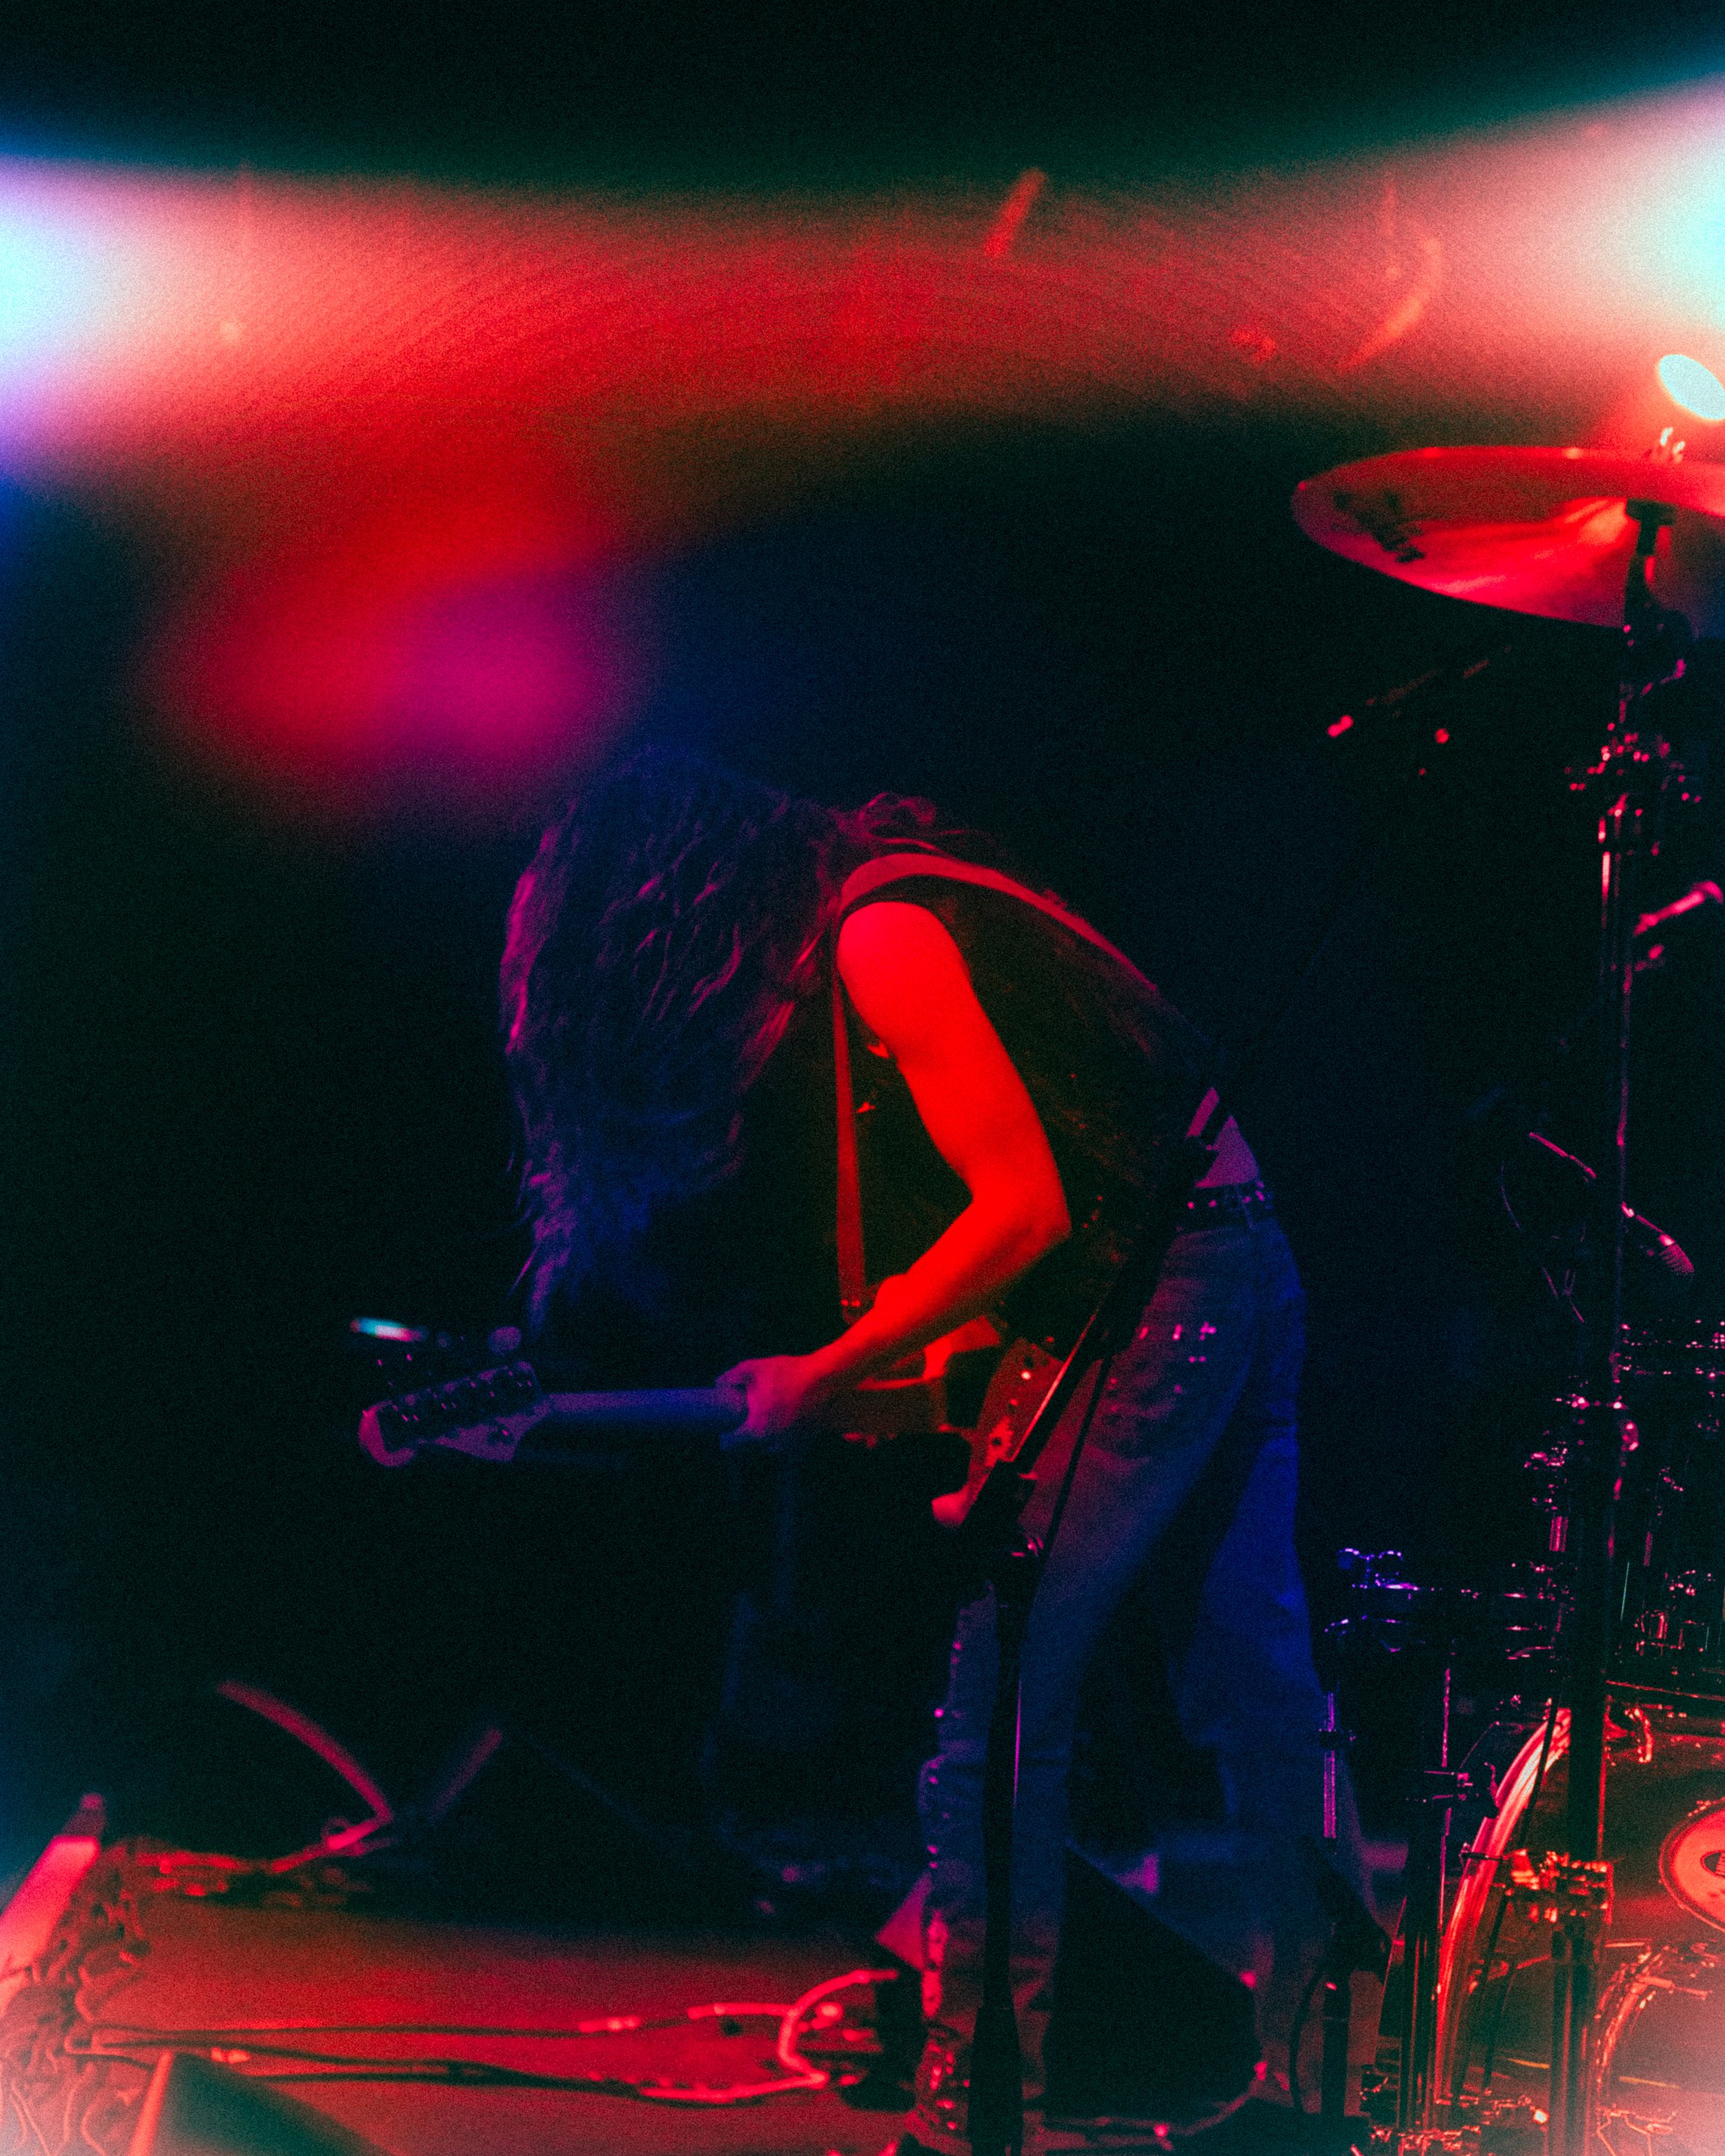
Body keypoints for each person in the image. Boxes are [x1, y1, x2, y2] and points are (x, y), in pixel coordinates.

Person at [501, 748, 1367, 2156]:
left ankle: (975, 2114)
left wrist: (828, 1370)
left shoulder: (881, 935)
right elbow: (1090, 1167)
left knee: (998, 1723)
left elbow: (1022, 1209)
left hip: (1157, 1292)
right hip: (1230, 1263)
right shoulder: (928, 894)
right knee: (1254, 1687)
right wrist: (935, 1382)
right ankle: (1327, 2084)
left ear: (683, 914)